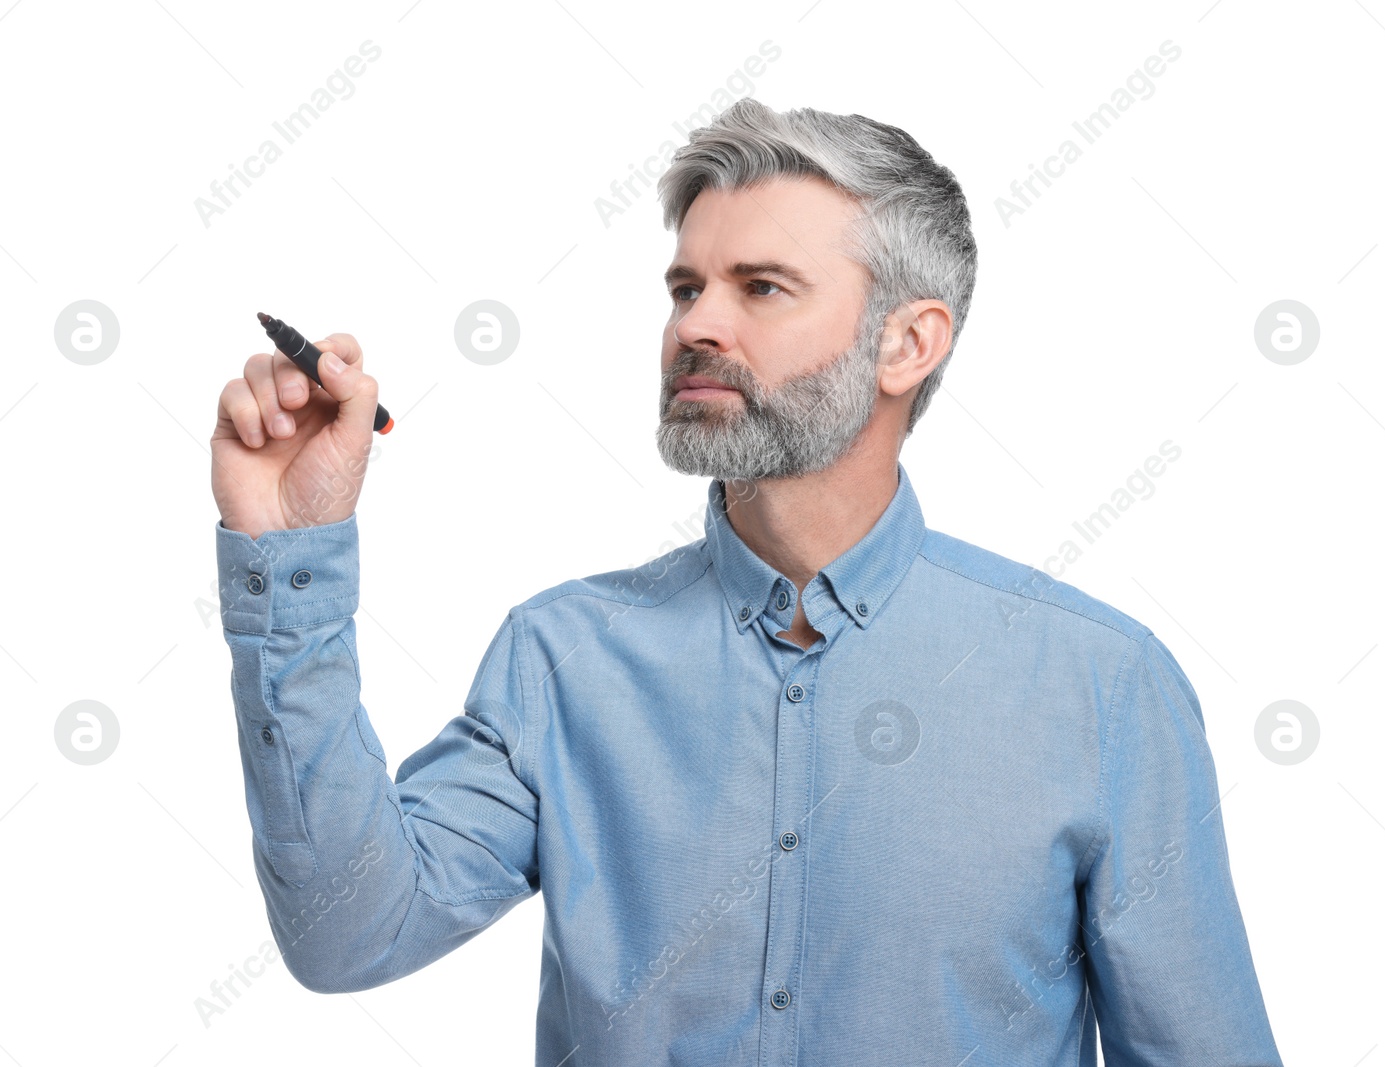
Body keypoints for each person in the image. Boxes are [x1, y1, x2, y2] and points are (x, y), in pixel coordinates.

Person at [209, 98, 1283, 1066]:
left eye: (759, 287)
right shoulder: (565, 658)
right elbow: (349, 931)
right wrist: (292, 546)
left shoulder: (1101, 686)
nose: (694, 326)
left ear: (908, 343)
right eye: (686, 287)